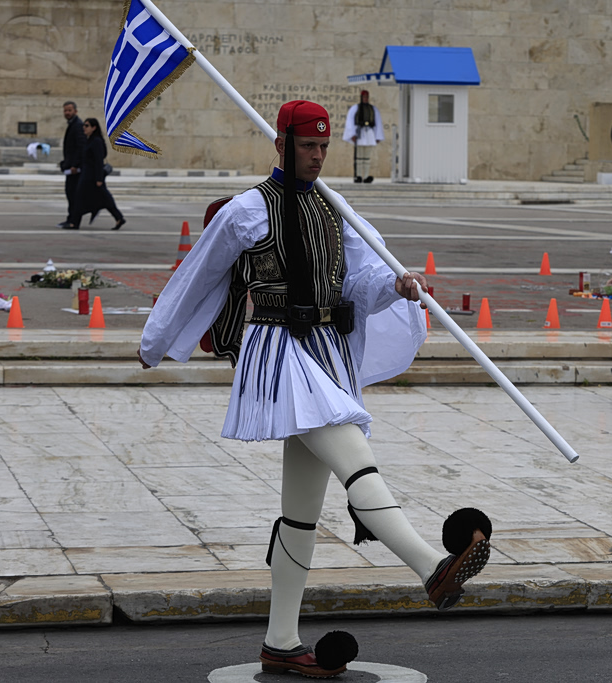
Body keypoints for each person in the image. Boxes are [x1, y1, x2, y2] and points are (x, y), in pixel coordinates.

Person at [137, 100, 491, 678]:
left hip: (326, 353)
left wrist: (397, 284)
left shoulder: (334, 209)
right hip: (278, 352)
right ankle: (431, 566)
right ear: (282, 144)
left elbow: (359, 275)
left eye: (324, 147)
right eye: (308, 147)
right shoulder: (248, 211)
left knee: (300, 512)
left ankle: (280, 642)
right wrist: (156, 343)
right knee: (356, 456)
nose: (318, 157)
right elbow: (198, 273)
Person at [60, 118, 125, 230]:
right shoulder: (90, 140)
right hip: (86, 175)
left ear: (94, 128)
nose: (84, 128)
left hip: (92, 177)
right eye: (84, 125)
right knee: (103, 199)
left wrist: (99, 179)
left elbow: (99, 161)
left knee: (87, 198)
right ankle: (119, 218)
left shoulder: (97, 141)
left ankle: (75, 223)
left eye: (87, 126)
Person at [342, 90, 384, 183]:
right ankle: (359, 175)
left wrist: (378, 136)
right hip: (359, 134)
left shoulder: (372, 109)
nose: (366, 99)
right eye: (364, 97)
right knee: (359, 157)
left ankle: (366, 176)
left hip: (369, 134)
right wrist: (352, 134)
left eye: (367, 97)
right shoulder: (355, 108)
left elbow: (378, 123)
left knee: (367, 157)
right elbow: (350, 122)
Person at [58, 101, 86, 228]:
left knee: (73, 194)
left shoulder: (78, 125)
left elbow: (81, 147)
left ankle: (74, 221)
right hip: (70, 167)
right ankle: (71, 219)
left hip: (75, 169)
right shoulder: (72, 125)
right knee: (70, 193)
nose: (67, 113)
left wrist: (75, 165)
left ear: (75, 111)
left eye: (69, 110)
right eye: (65, 110)